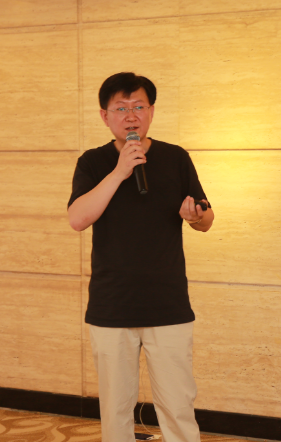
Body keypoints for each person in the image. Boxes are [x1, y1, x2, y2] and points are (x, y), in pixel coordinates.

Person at [67, 72, 214, 442]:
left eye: (138, 107)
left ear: (151, 111)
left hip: (168, 303)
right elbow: (78, 218)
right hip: (112, 304)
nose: (131, 115)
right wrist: (120, 172)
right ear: (105, 116)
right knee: (116, 408)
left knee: (178, 405)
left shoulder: (175, 157)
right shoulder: (93, 162)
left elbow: (206, 217)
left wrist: (195, 217)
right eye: (121, 108)